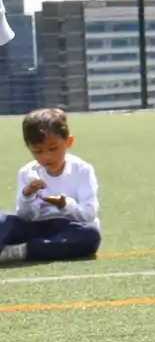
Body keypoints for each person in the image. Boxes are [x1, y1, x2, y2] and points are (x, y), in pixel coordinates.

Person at [0, 109, 102, 264]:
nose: (46, 157)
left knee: (89, 234)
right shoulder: (27, 172)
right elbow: (26, 217)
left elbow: (89, 215)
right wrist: (28, 194)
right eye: (38, 151)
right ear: (29, 148)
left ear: (68, 142)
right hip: (36, 227)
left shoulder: (82, 170)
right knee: (3, 220)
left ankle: (20, 251)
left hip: (67, 227)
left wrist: (65, 204)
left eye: (53, 148)